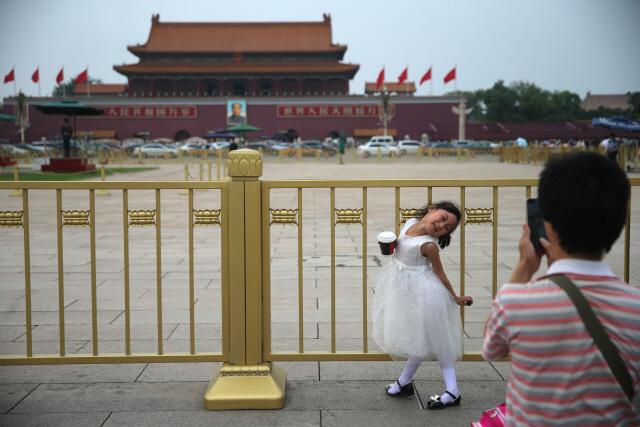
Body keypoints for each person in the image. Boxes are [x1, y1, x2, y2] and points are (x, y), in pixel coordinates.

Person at [483, 151, 639, 426]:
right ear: (617, 227)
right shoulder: (635, 307)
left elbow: (491, 349)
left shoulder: (516, 300)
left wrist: (524, 267)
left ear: (549, 226)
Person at [373, 201, 473, 409]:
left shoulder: (429, 245)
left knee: (441, 343)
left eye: (447, 228)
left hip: (427, 296)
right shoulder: (409, 223)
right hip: (408, 294)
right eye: (443, 219)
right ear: (432, 209)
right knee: (418, 339)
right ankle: (403, 383)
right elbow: (402, 248)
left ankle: (452, 391)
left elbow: (440, 273)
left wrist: (454, 297)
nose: (441, 226)